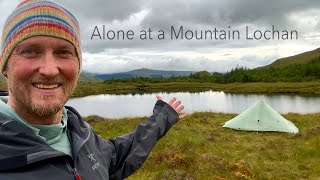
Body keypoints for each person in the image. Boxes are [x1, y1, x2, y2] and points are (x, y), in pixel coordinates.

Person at [0, 0, 187, 179]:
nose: (49, 70)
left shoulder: (79, 133)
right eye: (30, 51)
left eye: (63, 52)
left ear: (78, 65)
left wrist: (162, 117)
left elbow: (114, 157)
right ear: (5, 65)